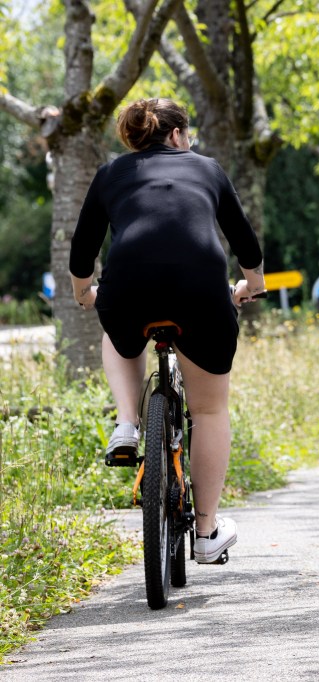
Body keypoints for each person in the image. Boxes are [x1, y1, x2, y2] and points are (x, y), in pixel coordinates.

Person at [69, 98, 265, 564]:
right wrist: (251, 285)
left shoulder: (111, 172)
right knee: (210, 409)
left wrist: (86, 295)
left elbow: (83, 249)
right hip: (200, 285)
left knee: (118, 333)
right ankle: (206, 531)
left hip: (129, 283)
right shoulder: (208, 169)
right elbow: (244, 241)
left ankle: (125, 423)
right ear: (177, 135)